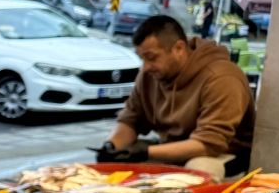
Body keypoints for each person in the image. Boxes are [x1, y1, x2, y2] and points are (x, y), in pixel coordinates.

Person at [94, 15, 254, 181]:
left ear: (179, 48)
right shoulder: (150, 74)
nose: (145, 67)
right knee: (117, 168)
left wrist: (145, 152)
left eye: (151, 57)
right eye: (142, 58)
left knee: (199, 169)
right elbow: (130, 120)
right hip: (171, 148)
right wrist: (111, 147)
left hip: (222, 155)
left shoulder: (221, 77)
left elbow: (209, 144)